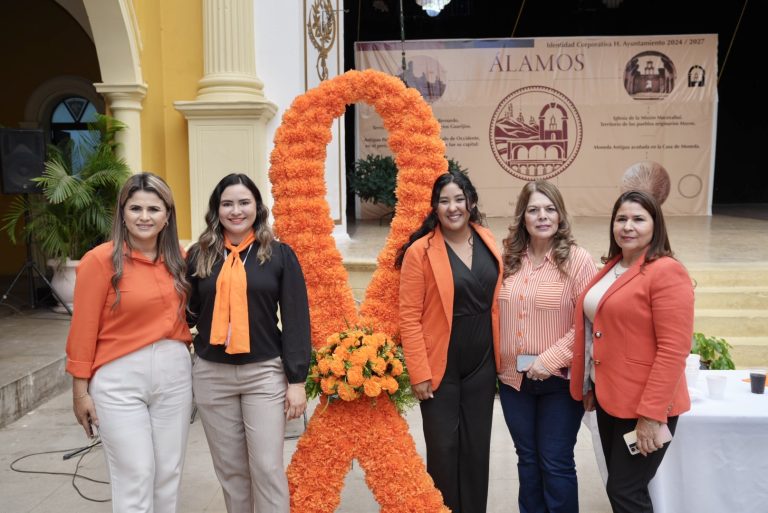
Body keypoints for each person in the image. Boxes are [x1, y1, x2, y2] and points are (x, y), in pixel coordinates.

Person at [66, 172, 192, 513]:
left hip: (174, 373)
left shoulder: (181, 259)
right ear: (122, 212)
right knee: (136, 473)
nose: (144, 217)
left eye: (154, 208)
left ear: (168, 215)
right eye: (135, 208)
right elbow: (82, 330)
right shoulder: (99, 260)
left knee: (168, 473)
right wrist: (80, 392)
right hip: (118, 379)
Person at [186, 173, 311, 513]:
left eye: (244, 203)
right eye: (227, 203)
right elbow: (187, 313)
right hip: (212, 374)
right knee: (231, 472)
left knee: (267, 469)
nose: (236, 211)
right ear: (217, 210)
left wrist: (296, 380)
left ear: (257, 207)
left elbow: (297, 320)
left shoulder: (279, 255)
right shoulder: (199, 255)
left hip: (264, 375)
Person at [570, 190, 694, 513]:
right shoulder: (613, 266)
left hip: (646, 405)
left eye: (639, 219)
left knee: (626, 490)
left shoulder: (666, 271)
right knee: (620, 487)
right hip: (611, 399)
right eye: (621, 218)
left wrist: (653, 415)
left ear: (656, 225)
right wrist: (590, 383)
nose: (628, 226)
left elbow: (673, 349)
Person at [396, 168, 503, 513]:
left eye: (459, 199)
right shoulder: (420, 252)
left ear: (471, 202)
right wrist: (419, 372)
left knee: (476, 449)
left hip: (482, 363)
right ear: (435, 208)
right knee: (442, 450)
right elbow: (409, 317)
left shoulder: (487, 238)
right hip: (439, 364)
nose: (453, 207)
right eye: (444, 201)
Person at [498, 180, 598, 513]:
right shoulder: (509, 258)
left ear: (560, 215)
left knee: (554, 461)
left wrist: (549, 359)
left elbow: (585, 322)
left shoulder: (578, 260)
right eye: (534, 209)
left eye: (550, 208)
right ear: (523, 217)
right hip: (514, 380)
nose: (542, 216)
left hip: (559, 379)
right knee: (527, 460)